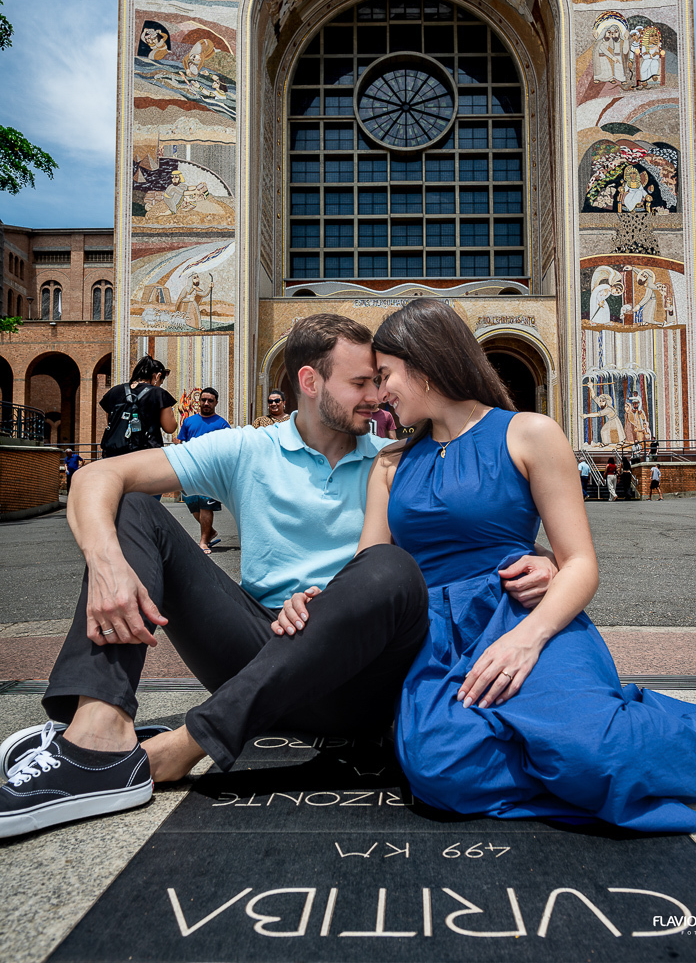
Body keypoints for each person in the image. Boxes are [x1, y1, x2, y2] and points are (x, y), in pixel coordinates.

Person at [357, 299, 696, 833]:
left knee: (592, 752)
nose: (381, 394)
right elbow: (371, 567)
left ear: (423, 361)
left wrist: (529, 638)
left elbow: (581, 564)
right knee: (439, 771)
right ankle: (602, 743)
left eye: (386, 376)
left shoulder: (529, 433)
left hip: (524, 617)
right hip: (433, 636)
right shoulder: (389, 463)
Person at [0, 315, 429, 839]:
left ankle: (180, 745)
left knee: (389, 569)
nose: (376, 397)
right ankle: (99, 732)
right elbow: (97, 475)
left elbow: (468, 539)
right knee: (134, 509)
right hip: (259, 648)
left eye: (377, 382)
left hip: (354, 679)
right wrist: (106, 563)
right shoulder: (250, 448)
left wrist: (543, 561)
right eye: (361, 383)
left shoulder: (395, 463)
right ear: (310, 382)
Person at [176, 387, 230, 554]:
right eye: (203, 400)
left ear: (216, 403)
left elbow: (229, 446)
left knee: (206, 506)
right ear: (199, 402)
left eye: (210, 401)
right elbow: (180, 443)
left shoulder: (221, 424)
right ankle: (210, 532)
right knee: (193, 505)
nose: (206, 403)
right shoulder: (189, 422)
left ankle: (204, 542)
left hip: (210, 471)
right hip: (190, 470)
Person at [100, 355, 177, 458]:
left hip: (115, 454)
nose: (159, 385)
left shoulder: (115, 391)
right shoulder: (158, 393)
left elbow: (110, 421)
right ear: (157, 376)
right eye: (160, 382)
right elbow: (169, 427)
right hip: (146, 454)